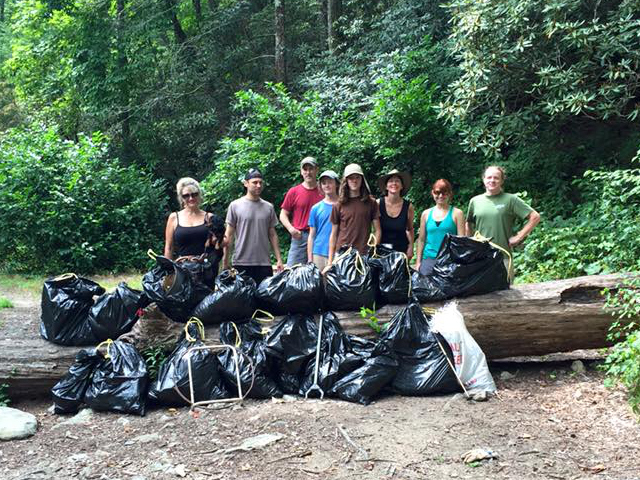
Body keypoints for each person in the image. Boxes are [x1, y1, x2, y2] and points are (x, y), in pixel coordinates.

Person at [466, 165, 541, 280]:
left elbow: (535, 217)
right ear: (483, 179)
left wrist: (519, 236)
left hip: (503, 257)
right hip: (481, 258)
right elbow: (469, 223)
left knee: (506, 295)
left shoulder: (511, 200)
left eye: (496, 178)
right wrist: (470, 245)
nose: (492, 180)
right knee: (481, 295)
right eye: (489, 177)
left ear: (502, 181)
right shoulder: (475, 201)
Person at [223, 168, 284, 285]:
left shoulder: (268, 207)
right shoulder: (235, 206)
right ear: (246, 183)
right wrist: (226, 261)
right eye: (255, 182)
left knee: (264, 300)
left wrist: (279, 259)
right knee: (243, 300)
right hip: (241, 262)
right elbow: (229, 235)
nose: (258, 185)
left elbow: (272, 234)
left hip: (264, 262)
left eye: (261, 182)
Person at [163, 177, 224, 286]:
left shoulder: (209, 217)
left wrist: (218, 240)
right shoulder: (174, 217)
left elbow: (221, 244)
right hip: (183, 269)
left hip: (205, 269)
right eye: (186, 196)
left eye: (194, 194)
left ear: (199, 195)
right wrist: (168, 270)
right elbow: (169, 247)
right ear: (181, 198)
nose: (191, 198)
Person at [325, 164, 381, 272]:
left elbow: (377, 230)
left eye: (357, 177)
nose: (354, 181)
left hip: (364, 255)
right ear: (346, 181)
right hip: (343, 255)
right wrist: (330, 261)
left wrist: (372, 251)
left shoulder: (371, 202)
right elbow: (333, 234)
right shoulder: (338, 205)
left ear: (362, 180)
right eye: (351, 178)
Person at [415, 179, 465, 275]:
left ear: (450, 194)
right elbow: (421, 240)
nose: (441, 196)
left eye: (444, 193)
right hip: (429, 257)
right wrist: (418, 262)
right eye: (437, 192)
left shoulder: (457, 213)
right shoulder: (426, 214)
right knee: (425, 286)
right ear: (432, 193)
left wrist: (460, 263)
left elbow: (461, 240)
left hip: (449, 259)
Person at [279, 157, 324, 265]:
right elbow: (283, 214)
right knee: (292, 272)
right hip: (299, 237)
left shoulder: (324, 191)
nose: (308, 172)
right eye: (305, 169)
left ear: (317, 170)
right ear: (301, 171)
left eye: (311, 169)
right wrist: (291, 229)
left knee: (319, 273)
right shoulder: (294, 191)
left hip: (320, 237)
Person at [376, 169, 415, 259]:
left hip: (401, 251)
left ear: (401, 186)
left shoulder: (408, 206)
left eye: (397, 181)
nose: (394, 183)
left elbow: (410, 229)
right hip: (382, 251)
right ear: (386, 186)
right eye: (391, 181)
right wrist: (374, 249)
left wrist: (411, 247)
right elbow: (375, 230)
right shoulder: (378, 204)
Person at [307, 170, 340, 271]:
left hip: (339, 253)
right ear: (320, 186)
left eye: (330, 182)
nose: (327, 185)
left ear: (337, 184)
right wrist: (310, 259)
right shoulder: (316, 208)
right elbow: (311, 235)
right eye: (324, 183)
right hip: (319, 252)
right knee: (319, 285)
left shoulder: (343, 206)